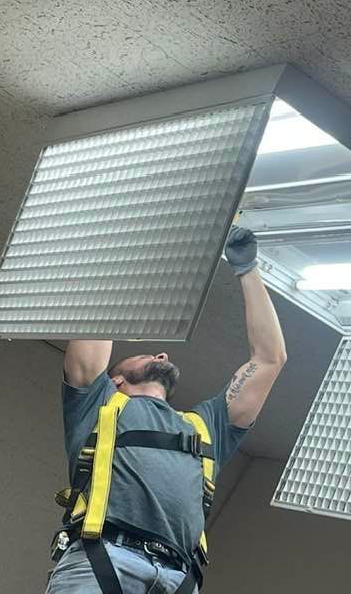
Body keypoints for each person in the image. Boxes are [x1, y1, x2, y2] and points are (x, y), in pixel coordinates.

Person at [45, 227, 286, 594]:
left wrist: (247, 269)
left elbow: (270, 360)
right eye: (148, 353)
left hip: (179, 577)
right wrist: (128, 237)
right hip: (102, 558)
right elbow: (96, 315)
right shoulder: (99, 402)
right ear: (116, 380)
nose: (162, 355)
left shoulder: (206, 427)